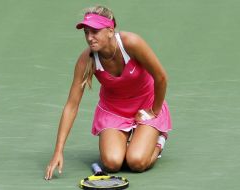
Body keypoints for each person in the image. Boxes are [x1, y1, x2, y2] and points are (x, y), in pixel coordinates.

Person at [44, 5, 172, 180]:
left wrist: (154, 111)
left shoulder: (132, 43)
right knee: (112, 164)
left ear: (110, 31)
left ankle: (159, 140)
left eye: (95, 32)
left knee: (136, 162)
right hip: (113, 110)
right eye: (86, 32)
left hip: (146, 105)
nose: (89, 38)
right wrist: (58, 151)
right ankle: (129, 141)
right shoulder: (85, 60)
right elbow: (72, 106)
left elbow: (161, 77)